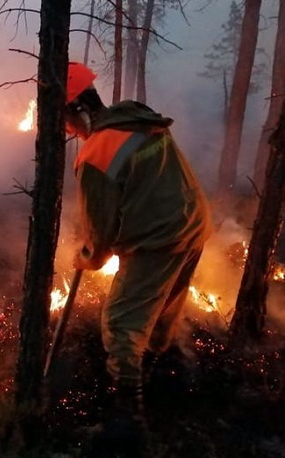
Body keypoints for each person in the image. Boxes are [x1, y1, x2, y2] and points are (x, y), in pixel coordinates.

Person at [65, 61, 212, 456]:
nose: (68, 131)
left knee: (120, 321)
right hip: (193, 224)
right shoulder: (135, 116)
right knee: (162, 310)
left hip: (158, 238)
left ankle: (127, 422)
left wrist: (85, 258)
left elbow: (100, 238)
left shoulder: (94, 155)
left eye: (66, 119)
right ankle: (156, 375)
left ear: (78, 110)